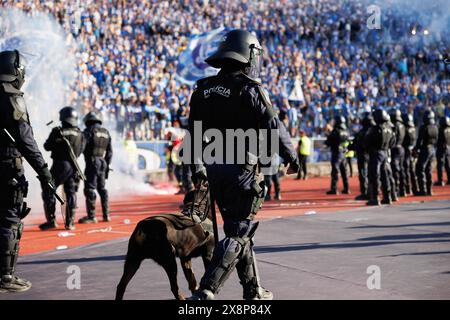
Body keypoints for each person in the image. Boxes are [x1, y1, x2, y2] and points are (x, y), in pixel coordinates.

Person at [187, 29, 299, 300]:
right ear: (245, 54)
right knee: (239, 232)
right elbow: (274, 126)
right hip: (242, 170)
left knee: (238, 231)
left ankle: (253, 290)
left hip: (214, 169)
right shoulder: (250, 89)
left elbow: (192, 135)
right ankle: (207, 289)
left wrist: (197, 169)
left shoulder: (202, 91)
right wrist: (291, 156)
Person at [0, 50, 53, 292]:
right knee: (10, 221)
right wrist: (43, 170)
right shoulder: (12, 96)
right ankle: (6, 277)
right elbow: (25, 140)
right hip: (7, 167)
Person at [39, 107, 85, 230]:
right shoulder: (80, 133)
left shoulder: (57, 131)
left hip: (60, 165)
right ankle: (70, 222)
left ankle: (51, 220)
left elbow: (47, 146)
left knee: (48, 190)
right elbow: (81, 150)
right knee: (71, 192)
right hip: (74, 166)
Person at [78, 111, 113, 223]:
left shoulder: (89, 131)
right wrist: (107, 165)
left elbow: (81, 147)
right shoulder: (106, 132)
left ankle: (91, 216)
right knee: (102, 189)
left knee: (89, 188)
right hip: (103, 162)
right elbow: (110, 152)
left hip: (92, 162)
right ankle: (106, 215)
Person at [365, 109, 395, 205]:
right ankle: (387, 197)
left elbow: (367, 142)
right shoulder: (389, 129)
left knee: (375, 176)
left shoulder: (375, 129)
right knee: (385, 176)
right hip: (385, 153)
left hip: (376, 154)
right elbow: (393, 142)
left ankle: (375, 198)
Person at [413, 109, 438, 196]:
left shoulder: (424, 127)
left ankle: (423, 190)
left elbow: (419, 141)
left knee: (420, 169)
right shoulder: (435, 127)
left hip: (425, 149)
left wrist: (415, 149)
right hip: (432, 149)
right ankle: (429, 190)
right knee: (429, 170)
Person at [351, 112, 374, 200]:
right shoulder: (373, 130)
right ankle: (371, 192)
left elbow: (358, 143)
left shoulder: (363, 131)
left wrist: (353, 147)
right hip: (371, 155)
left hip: (363, 154)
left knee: (363, 174)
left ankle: (365, 192)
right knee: (371, 174)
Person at [325, 115, 350, 194]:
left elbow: (328, 142)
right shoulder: (346, 131)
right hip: (343, 153)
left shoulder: (335, 131)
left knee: (335, 172)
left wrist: (328, 133)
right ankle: (346, 188)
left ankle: (334, 189)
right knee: (344, 172)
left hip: (336, 153)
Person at [389, 109, 406, 197]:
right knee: (401, 169)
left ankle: (396, 190)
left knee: (395, 170)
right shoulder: (403, 125)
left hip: (395, 149)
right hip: (401, 148)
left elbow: (392, 139)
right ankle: (403, 190)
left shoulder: (394, 126)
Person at [402, 113, 418, 195]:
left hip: (406, 151)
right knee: (412, 170)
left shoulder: (405, 128)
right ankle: (415, 188)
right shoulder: (413, 128)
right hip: (412, 150)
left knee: (406, 170)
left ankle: (408, 188)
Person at [434, 116, 450, 186]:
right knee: (448, 165)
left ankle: (440, 180)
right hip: (448, 148)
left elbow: (436, 140)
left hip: (441, 148)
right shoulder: (449, 129)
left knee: (440, 165)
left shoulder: (440, 129)